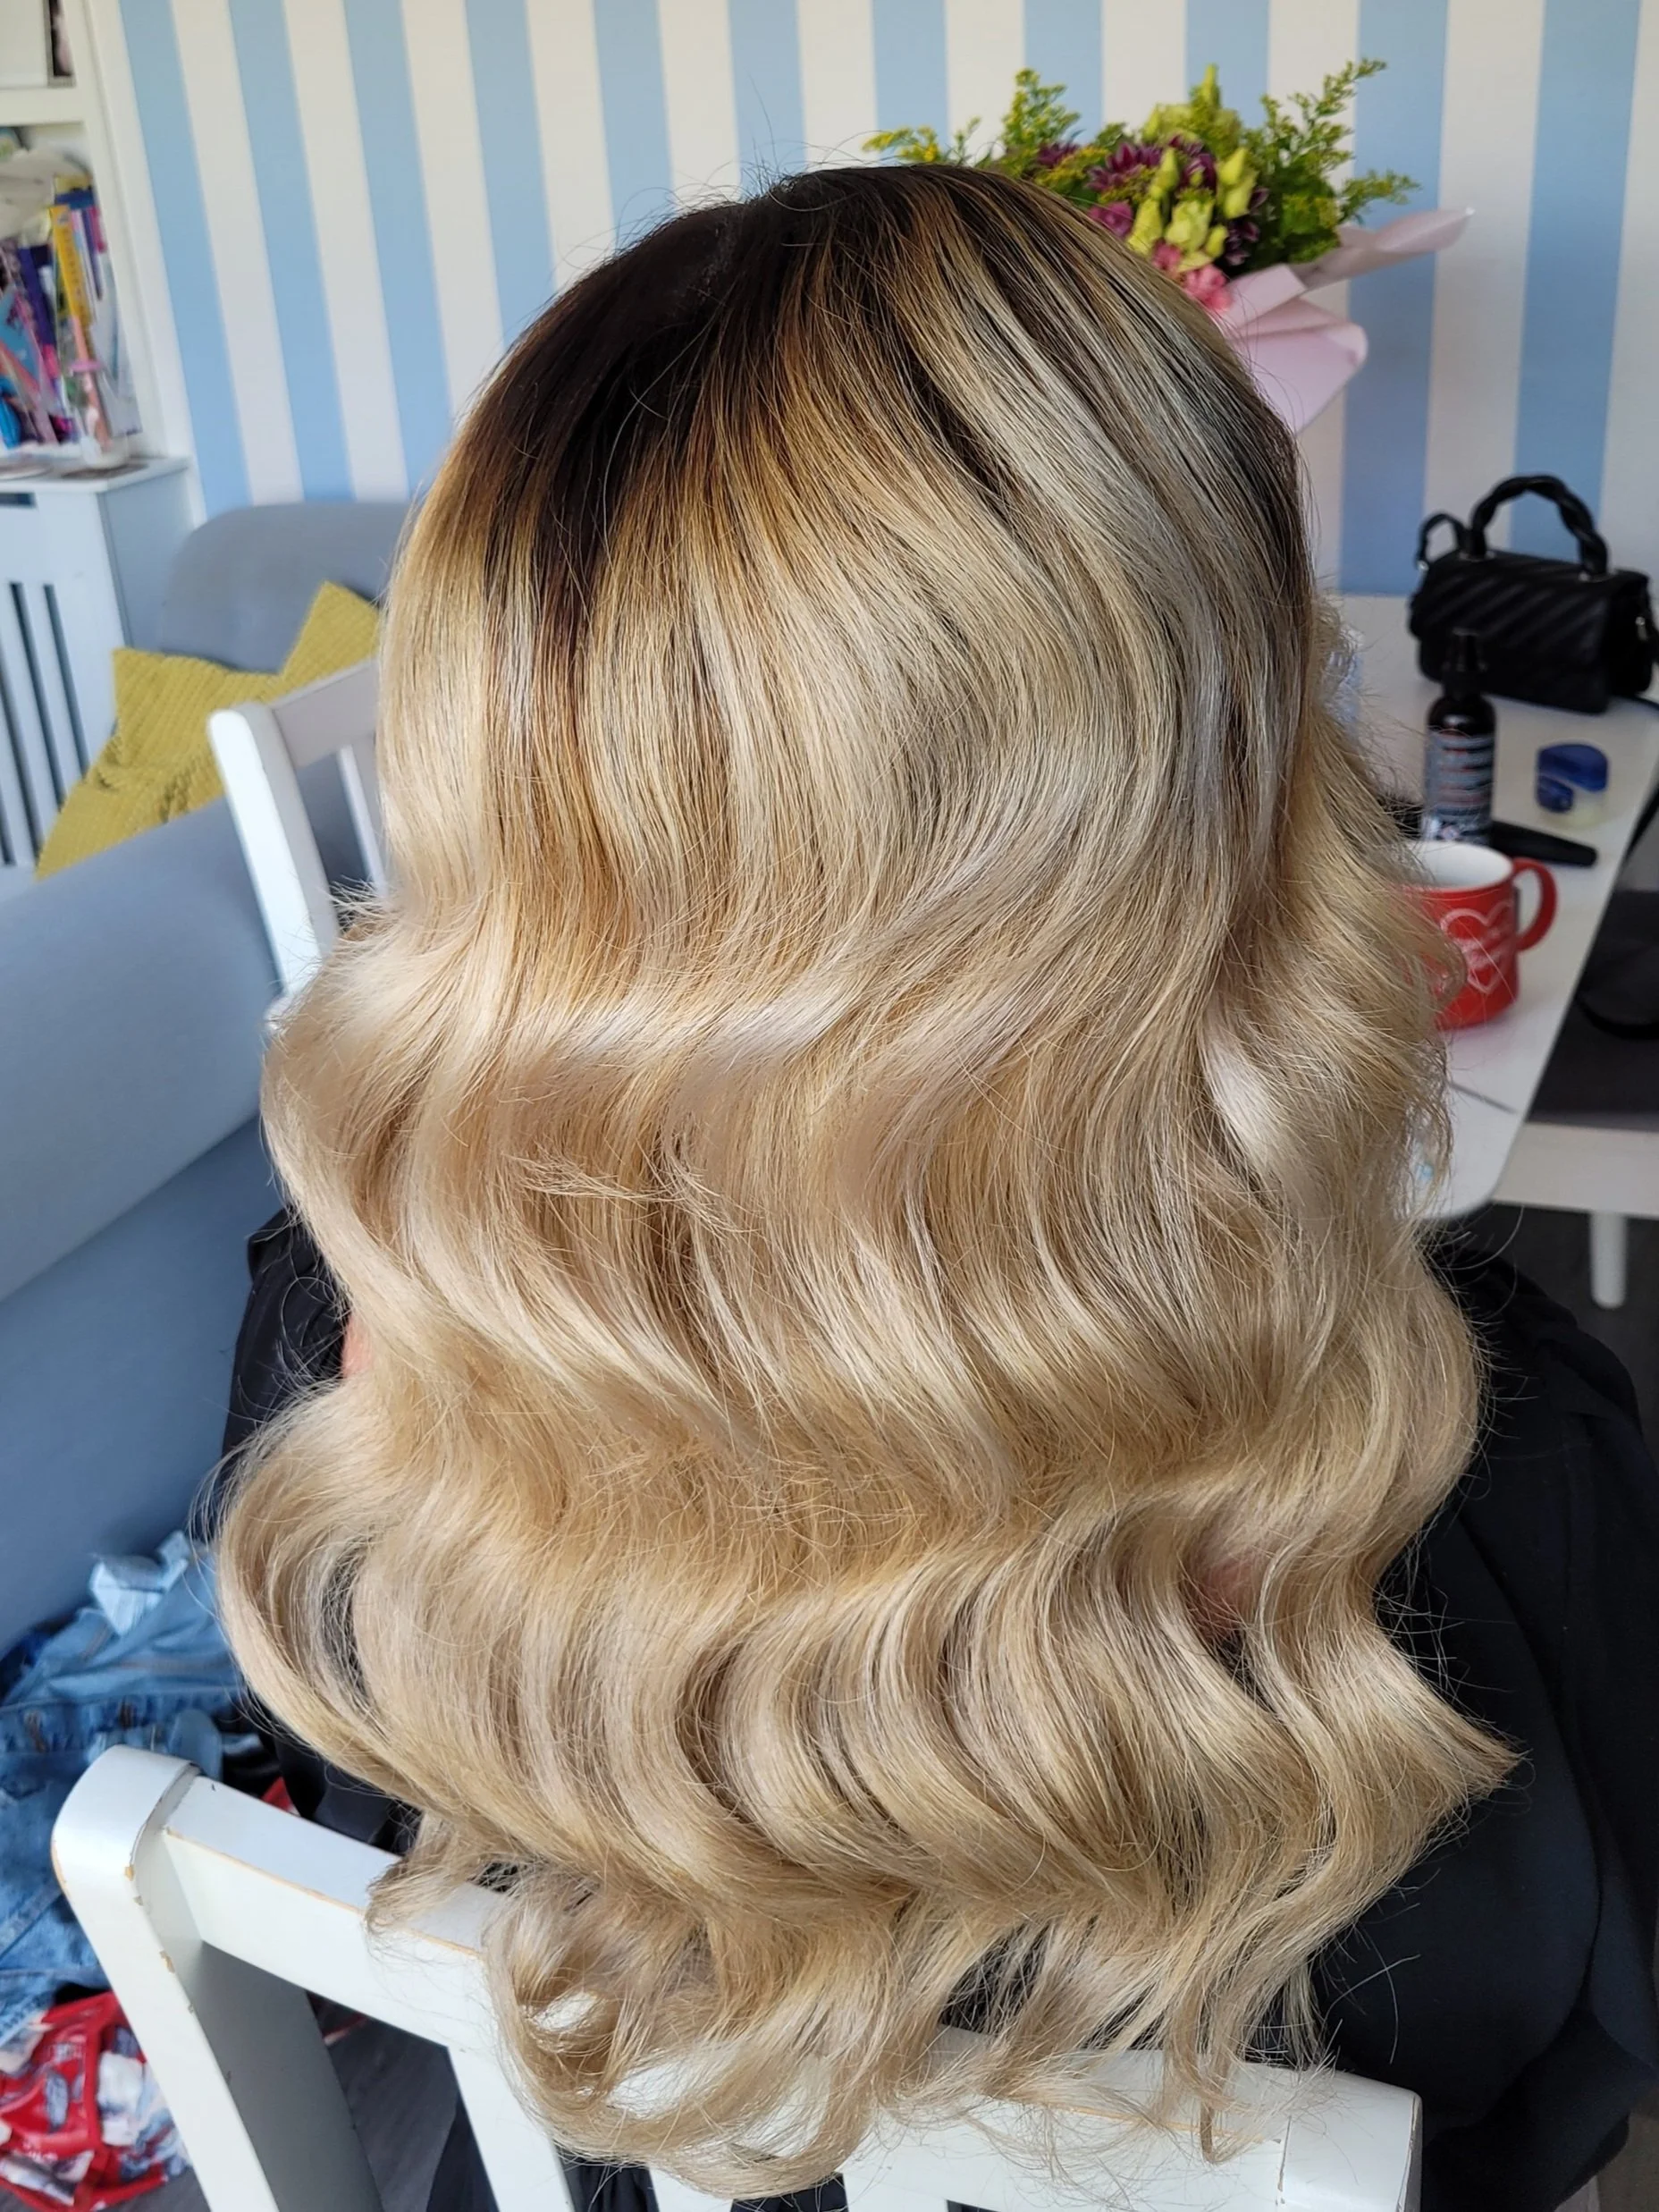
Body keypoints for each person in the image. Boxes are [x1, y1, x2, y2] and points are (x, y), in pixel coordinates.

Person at [214, 165, 1659, 2212]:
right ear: (1229, 774)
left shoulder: (329, 1342)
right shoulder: (1473, 1461)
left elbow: (391, 1830)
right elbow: (1552, 2088)